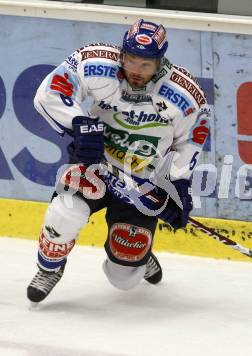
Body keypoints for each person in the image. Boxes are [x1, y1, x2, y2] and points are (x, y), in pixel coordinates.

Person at [27, 19, 210, 302]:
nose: (136, 70)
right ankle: (50, 268)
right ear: (122, 53)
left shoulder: (183, 95)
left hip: (140, 184)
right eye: (131, 59)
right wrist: (78, 122)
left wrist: (178, 185)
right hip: (94, 167)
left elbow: (188, 143)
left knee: (123, 279)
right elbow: (49, 92)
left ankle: (140, 256)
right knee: (64, 213)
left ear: (160, 63)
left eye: (145, 64)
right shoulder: (97, 62)